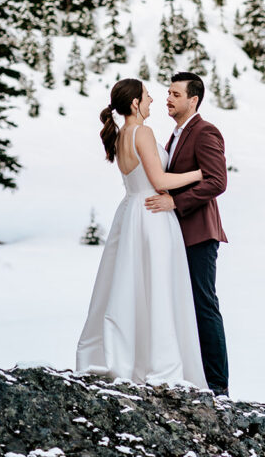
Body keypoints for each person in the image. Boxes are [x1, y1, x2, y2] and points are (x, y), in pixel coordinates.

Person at [75, 78, 208, 389]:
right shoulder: (142, 132)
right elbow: (159, 179)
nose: (152, 102)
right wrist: (202, 172)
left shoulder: (122, 135)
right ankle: (160, 362)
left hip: (131, 213)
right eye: (147, 97)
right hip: (152, 216)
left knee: (131, 287)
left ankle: (131, 356)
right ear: (134, 103)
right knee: (158, 287)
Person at [145, 72, 229, 396]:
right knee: (182, 305)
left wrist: (174, 202)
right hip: (177, 236)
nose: (168, 98)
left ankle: (218, 385)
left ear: (193, 100)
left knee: (204, 305)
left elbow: (217, 181)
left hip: (199, 234)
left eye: (175, 94)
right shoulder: (175, 135)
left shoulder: (206, 132)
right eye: (167, 93)